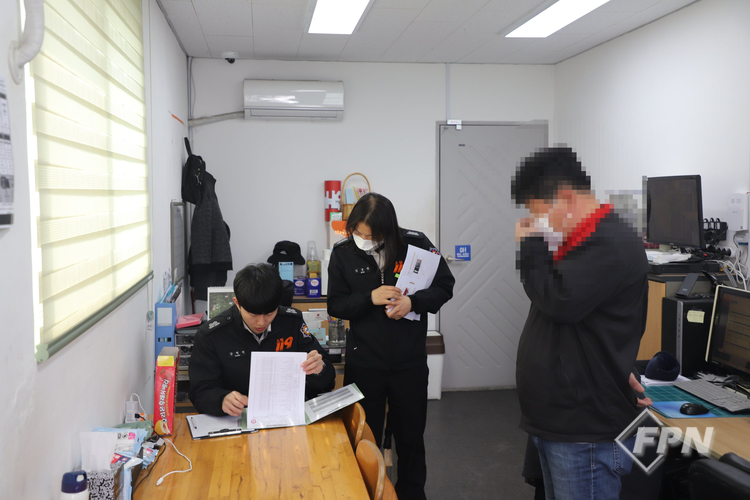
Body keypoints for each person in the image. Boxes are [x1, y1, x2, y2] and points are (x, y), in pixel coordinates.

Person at [512, 147, 649, 500]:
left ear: (566, 197)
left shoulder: (610, 241)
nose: (538, 223)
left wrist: (531, 247)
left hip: (584, 428)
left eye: (540, 213)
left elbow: (559, 302)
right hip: (558, 421)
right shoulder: (580, 241)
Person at [327, 193, 455, 500]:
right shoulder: (343, 252)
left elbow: (444, 286)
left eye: (371, 236)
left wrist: (413, 302)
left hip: (409, 363)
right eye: (358, 233)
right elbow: (336, 304)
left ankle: (411, 494)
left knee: (410, 439)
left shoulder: (417, 244)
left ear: (388, 230)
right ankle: (364, 494)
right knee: (364, 438)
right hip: (365, 363)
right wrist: (369, 298)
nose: (363, 240)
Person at [189, 263, 335, 416]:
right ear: (237, 303)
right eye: (253, 315)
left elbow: (328, 379)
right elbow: (200, 391)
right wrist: (221, 400)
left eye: (270, 314)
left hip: (289, 415)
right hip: (237, 419)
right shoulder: (213, 335)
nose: (261, 322)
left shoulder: (292, 323)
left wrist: (320, 369)